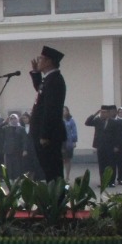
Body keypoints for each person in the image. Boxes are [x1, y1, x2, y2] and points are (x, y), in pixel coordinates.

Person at [28, 44, 68, 181]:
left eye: (41, 58)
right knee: (47, 169)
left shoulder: (55, 80)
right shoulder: (49, 79)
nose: (38, 61)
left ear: (49, 61)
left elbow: (51, 110)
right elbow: (40, 90)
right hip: (42, 133)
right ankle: (53, 198)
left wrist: (45, 134)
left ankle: (58, 199)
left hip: (48, 136)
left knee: (53, 170)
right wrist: (35, 73)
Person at [84, 105, 119, 185]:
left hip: (110, 146)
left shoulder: (113, 122)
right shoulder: (97, 121)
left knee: (111, 164)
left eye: (104, 112)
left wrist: (116, 146)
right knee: (102, 164)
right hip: (100, 146)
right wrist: (95, 114)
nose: (103, 114)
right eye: (101, 112)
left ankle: (111, 181)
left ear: (109, 113)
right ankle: (103, 181)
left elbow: (117, 135)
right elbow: (87, 123)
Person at [62, 106, 79, 182]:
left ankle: (67, 176)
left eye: (64, 110)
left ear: (68, 111)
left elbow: (74, 131)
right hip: (60, 143)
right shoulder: (57, 120)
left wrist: (74, 141)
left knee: (67, 159)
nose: (63, 112)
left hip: (68, 142)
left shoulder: (71, 120)